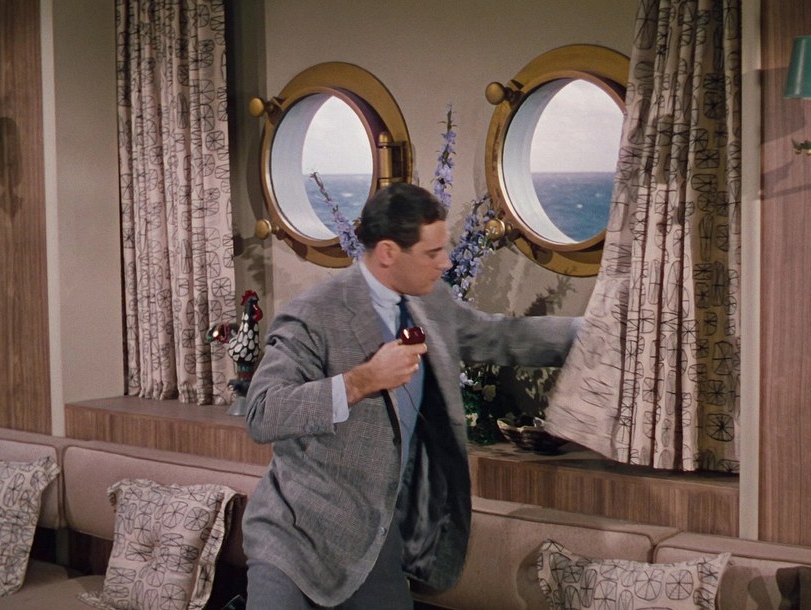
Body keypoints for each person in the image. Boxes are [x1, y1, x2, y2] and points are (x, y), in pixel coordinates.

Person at [242, 183, 580, 609]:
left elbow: (497, 337)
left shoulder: (430, 302)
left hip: (372, 543)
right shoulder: (314, 312)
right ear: (388, 252)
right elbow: (262, 412)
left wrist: (592, 333)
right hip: (296, 539)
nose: (447, 262)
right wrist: (360, 381)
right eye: (432, 253)